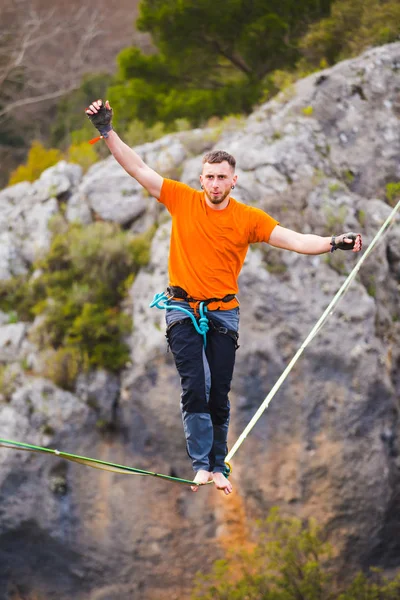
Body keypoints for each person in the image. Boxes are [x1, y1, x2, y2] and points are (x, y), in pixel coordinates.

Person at [86, 99, 362, 496]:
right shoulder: (182, 200)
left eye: (222, 178)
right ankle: (201, 464)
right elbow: (138, 168)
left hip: (223, 313)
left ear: (234, 181)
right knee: (195, 385)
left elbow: (297, 241)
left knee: (219, 391)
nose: (214, 184)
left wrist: (334, 242)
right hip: (182, 307)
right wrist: (106, 131)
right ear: (201, 180)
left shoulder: (248, 219)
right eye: (209, 177)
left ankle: (218, 465)